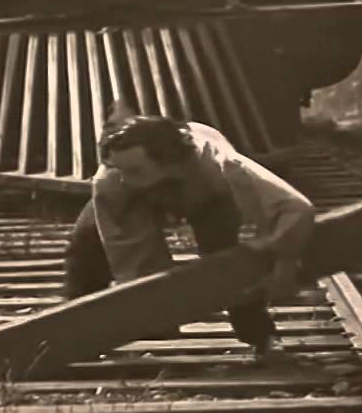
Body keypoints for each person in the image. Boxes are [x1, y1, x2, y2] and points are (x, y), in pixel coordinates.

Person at [63, 105, 316, 361]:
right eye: (121, 170)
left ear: (169, 162)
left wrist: (281, 257)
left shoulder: (222, 165)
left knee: (226, 261)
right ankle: (72, 337)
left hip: (207, 197)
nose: (125, 178)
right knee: (85, 249)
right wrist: (156, 309)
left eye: (135, 171)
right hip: (133, 201)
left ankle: (261, 336)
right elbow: (128, 257)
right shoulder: (112, 181)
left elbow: (296, 208)